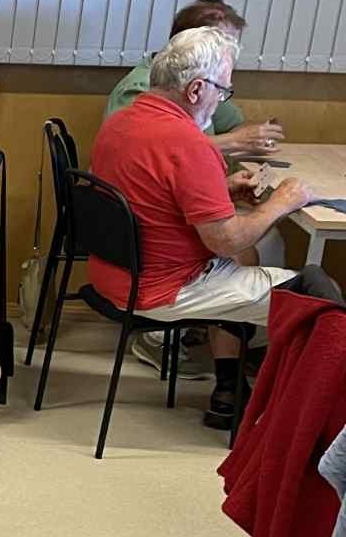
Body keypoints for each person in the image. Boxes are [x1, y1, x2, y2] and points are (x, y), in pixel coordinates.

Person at [89, 26, 313, 430]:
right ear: (195, 89)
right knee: (316, 295)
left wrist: (220, 189)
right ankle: (302, 425)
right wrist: (282, 203)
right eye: (222, 91)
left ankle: (231, 390)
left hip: (115, 274)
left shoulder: (121, 123)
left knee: (246, 264)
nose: (221, 99)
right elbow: (226, 240)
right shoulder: (188, 143)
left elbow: (150, 195)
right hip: (163, 288)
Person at [104, 0, 284, 156]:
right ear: (191, 42)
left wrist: (256, 135)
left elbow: (233, 125)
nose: (231, 53)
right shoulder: (141, 87)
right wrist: (235, 141)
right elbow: (152, 149)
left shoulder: (209, 84)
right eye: (222, 43)